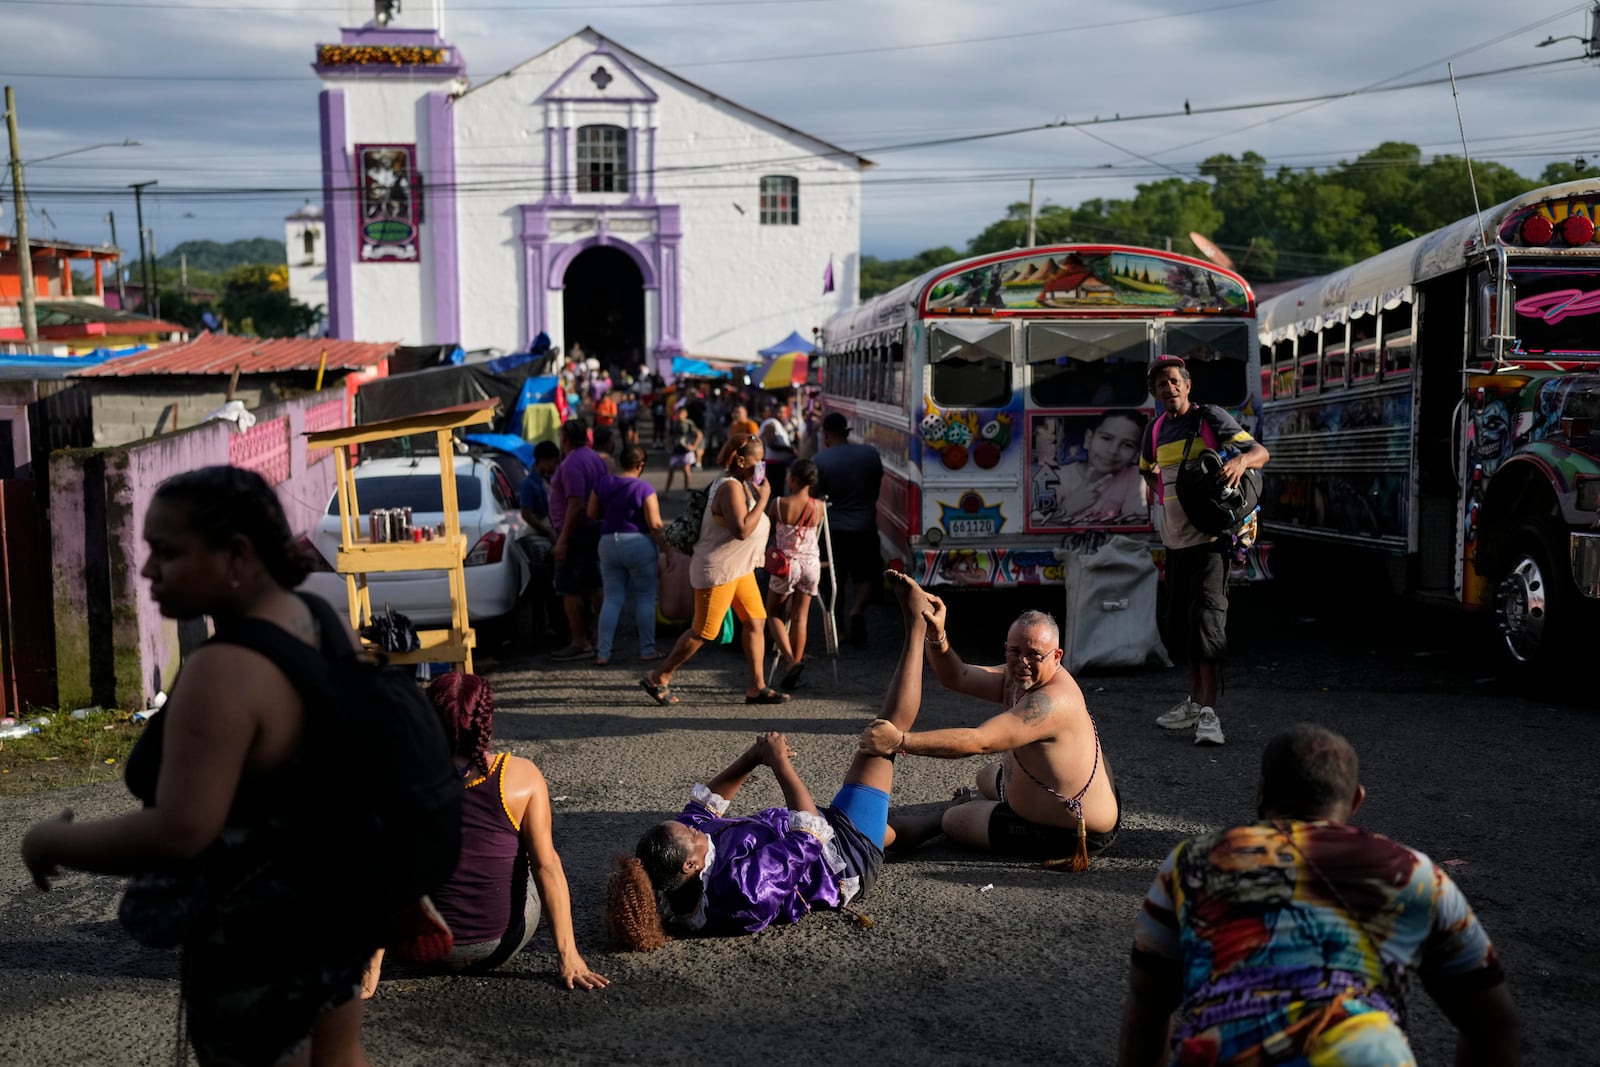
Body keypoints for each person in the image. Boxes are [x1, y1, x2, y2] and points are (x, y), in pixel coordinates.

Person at [20, 466, 382, 1065]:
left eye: (168, 552)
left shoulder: (222, 671)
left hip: (256, 935)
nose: (146, 571)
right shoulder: (324, 623)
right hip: (335, 907)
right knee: (339, 1056)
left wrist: (52, 840)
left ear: (236, 553)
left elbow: (182, 830)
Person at [1117, 723, 1519, 1067]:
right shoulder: (1415, 874)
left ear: (1260, 792)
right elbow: (1494, 1023)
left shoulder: (1194, 862)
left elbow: (1148, 1005)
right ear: (1357, 799)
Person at [604, 571, 939, 949]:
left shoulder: (674, 876)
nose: (697, 829)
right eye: (694, 837)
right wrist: (780, 762)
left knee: (886, 828)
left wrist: (753, 756)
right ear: (690, 866)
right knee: (883, 737)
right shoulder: (741, 892)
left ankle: (949, 818)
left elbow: (701, 810)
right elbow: (811, 835)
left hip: (827, 838)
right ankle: (916, 625)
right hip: (842, 858)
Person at [363, 673, 608, 995]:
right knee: (537, 856)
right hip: (497, 944)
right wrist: (570, 958)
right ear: (485, 720)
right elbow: (546, 867)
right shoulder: (521, 775)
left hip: (416, 946)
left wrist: (370, 966)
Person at [860, 583, 1119, 869]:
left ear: (1057, 657)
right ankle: (994, 804)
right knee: (987, 776)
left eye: (1034, 654)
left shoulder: (1051, 702)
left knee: (955, 821)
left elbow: (979, 741)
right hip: (1057, 792)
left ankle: (945, 816)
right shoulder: (1018, 674)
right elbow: (957, 676)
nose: (1022, 663)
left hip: (1076, 830)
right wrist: (937, 637)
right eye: (1013, 651)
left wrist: (900, 741)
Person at [1139, 355, 1270, 746]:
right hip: (1175, 542)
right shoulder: (1155, 429)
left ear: (1188, 386)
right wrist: (1162, 491)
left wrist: (1241, 463)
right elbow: (1146, 468)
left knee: (1208, 625)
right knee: (1182, 627)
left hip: (1211, 542)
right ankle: (1195, 703)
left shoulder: (1209, 417)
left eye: (1175, 381)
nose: (1169, 387)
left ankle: (1210, 715)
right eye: (1161, 383)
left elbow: (1260, 452)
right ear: (1155, 393)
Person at [638, 434, 788, 706]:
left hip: (738, 569)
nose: (761, 468)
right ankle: (658, 676)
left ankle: (757, 686)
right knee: (704, 630)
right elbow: (741, 530)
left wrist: (757, 494)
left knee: (755, 621)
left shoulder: (742, 483)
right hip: (718, 570)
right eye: (757, 462)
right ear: (741, 461)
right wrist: (765, 498)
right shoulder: (730, 487)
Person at [587, 444, 666, 665]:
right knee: (645, 597)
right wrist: (668, 550)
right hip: (638, 544)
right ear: (640, 465)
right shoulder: (644, 488)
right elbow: (655, 524)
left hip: (608, 543)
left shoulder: (602, 483)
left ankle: (603, 652)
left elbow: (591, 513)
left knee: (612, 598)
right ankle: (647, 649)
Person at [811, 411, 884, 647]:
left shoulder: (820, 460)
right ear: (846, 433)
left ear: (827, 435)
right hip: (865, 524)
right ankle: (857, 610)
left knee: (835, 579)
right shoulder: (869, 454)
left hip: (834, 529)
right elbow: (875, 488)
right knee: (868, 574)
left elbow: (814, 495)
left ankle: (839, 629)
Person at [551, 419, 610, 661]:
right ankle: (598, 637)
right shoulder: (595, 458)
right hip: (593, 528)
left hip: (576, 531)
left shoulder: (572, 463)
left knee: (569, 588)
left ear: (565, 438)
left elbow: (575, 506)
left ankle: (580, 641)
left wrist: (563, 539)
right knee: (595, 584)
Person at [764, 458, 824, 691]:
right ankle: (795, 670)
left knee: (774, 613)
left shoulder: (778, 504)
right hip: (811, 564)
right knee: (801, 618)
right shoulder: (818, 507)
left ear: (794, 479)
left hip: (786, 565)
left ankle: (789, 662)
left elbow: (766, 531)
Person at [1053, 410, 1148, 525]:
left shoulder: (1134, 478)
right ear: (1088, 439)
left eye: (1127, 445)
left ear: (1136, 456)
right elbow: (1033, 534)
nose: (1113, 451)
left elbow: (1136, 530)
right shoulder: (1057, 477)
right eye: (1106, 438)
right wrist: (1067, 509)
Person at [518, 440, 563, 641]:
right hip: (536, 541)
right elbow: (526, 514)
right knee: (545, 587)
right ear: (542, 461)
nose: (554, 467)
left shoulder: (547, 479)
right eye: (552, 462)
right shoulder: (529, 483)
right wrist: (548, 531)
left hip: (547, 536)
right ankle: (546, 628)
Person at [664, 409, 704, 494]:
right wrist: (668, 445)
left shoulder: (689, 423)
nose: (679, 415)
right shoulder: (674, 423)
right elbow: (670, 436)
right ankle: (666, 491)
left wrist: (694, 446)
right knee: (671, 470)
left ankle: (686, 491)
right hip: (676, 449)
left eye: (681, 413)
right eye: (678, 413)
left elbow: (699, 434)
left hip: (685, 450)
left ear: (686, 414)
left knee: (686, 470)